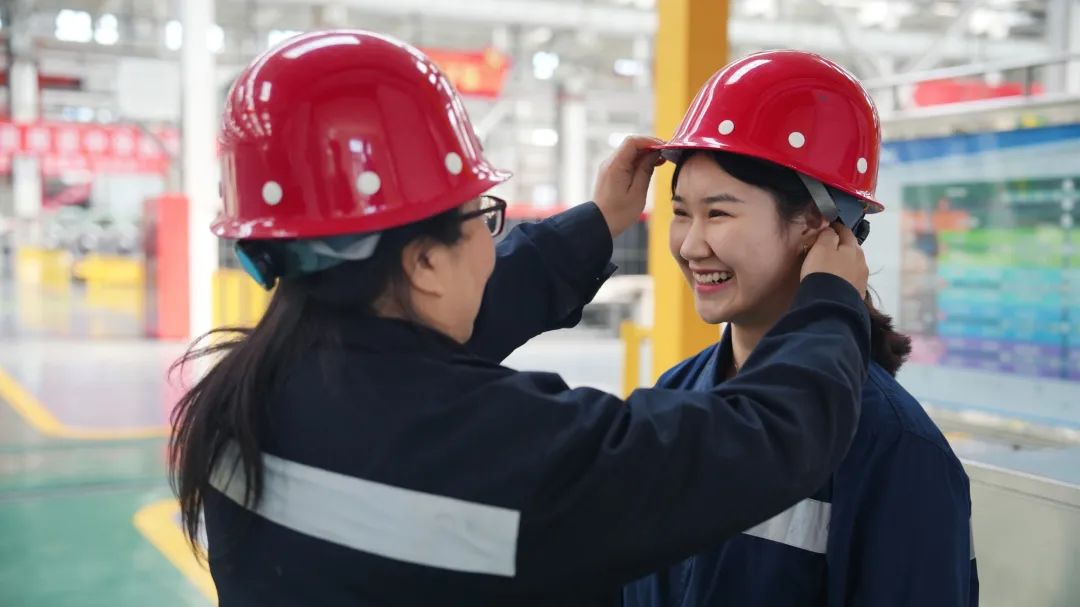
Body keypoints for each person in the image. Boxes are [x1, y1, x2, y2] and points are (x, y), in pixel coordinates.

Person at [169, 32, 872, 606]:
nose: (691, 243)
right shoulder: (483, 450)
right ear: (423, 261)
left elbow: (433, 327)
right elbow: (763, 441)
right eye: (484, 220)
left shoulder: (246, 395)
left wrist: (596, 225)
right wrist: (830, 305)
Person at [624, 50, 978, 607]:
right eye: (681, 212)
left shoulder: (893, 448)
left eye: (719, 213)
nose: (690, 245)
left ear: (816, 225)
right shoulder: (676, 395)